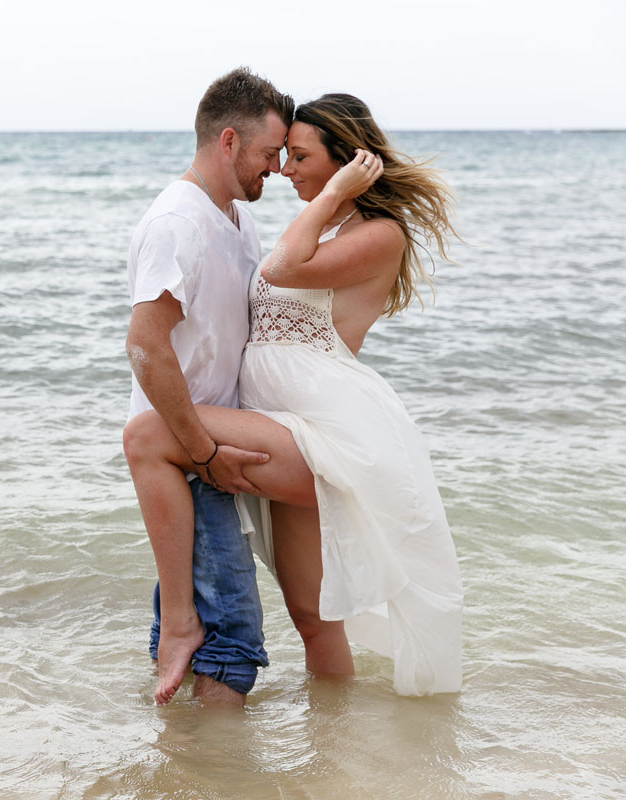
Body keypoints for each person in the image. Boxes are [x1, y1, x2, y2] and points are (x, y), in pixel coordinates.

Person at [124, 93, 464, 704]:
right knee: (313, 617)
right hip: (281, 424)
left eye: (300, 156)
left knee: (148, 433)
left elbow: (280, 270)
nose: (284, 169)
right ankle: (333, 741)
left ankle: (180, 624)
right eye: (282, 155)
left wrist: (333, 195)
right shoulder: (317, 228)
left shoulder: (380, 234)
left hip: (327, 435)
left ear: (347, 160)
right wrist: (327, 201)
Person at [124, 67, 294, 707]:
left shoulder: (236, 218)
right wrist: (203, 452)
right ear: (229, 141)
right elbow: (146, 345)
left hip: (208, 445)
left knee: (195, 624)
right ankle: (214, 758)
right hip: (189, 453)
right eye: (269, 152)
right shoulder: (178, 222)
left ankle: (178, 747)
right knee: (232, 637)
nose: (277, 167)